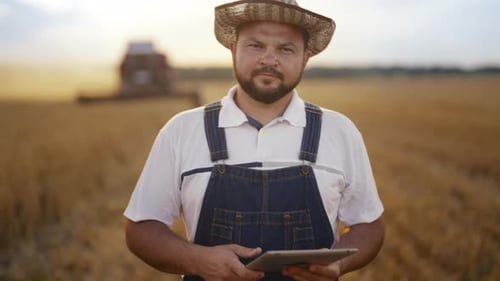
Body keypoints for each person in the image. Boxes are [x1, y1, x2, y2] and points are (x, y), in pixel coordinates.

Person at [124, 0, 384, 280]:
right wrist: (198, 261)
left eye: (285, 49)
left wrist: (340, 264)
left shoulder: (340, 131)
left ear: (305, 58)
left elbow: (369, 225)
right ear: (233, 49)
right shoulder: (182, 131)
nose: (269, 60)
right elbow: (141, 229)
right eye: (256, 45)